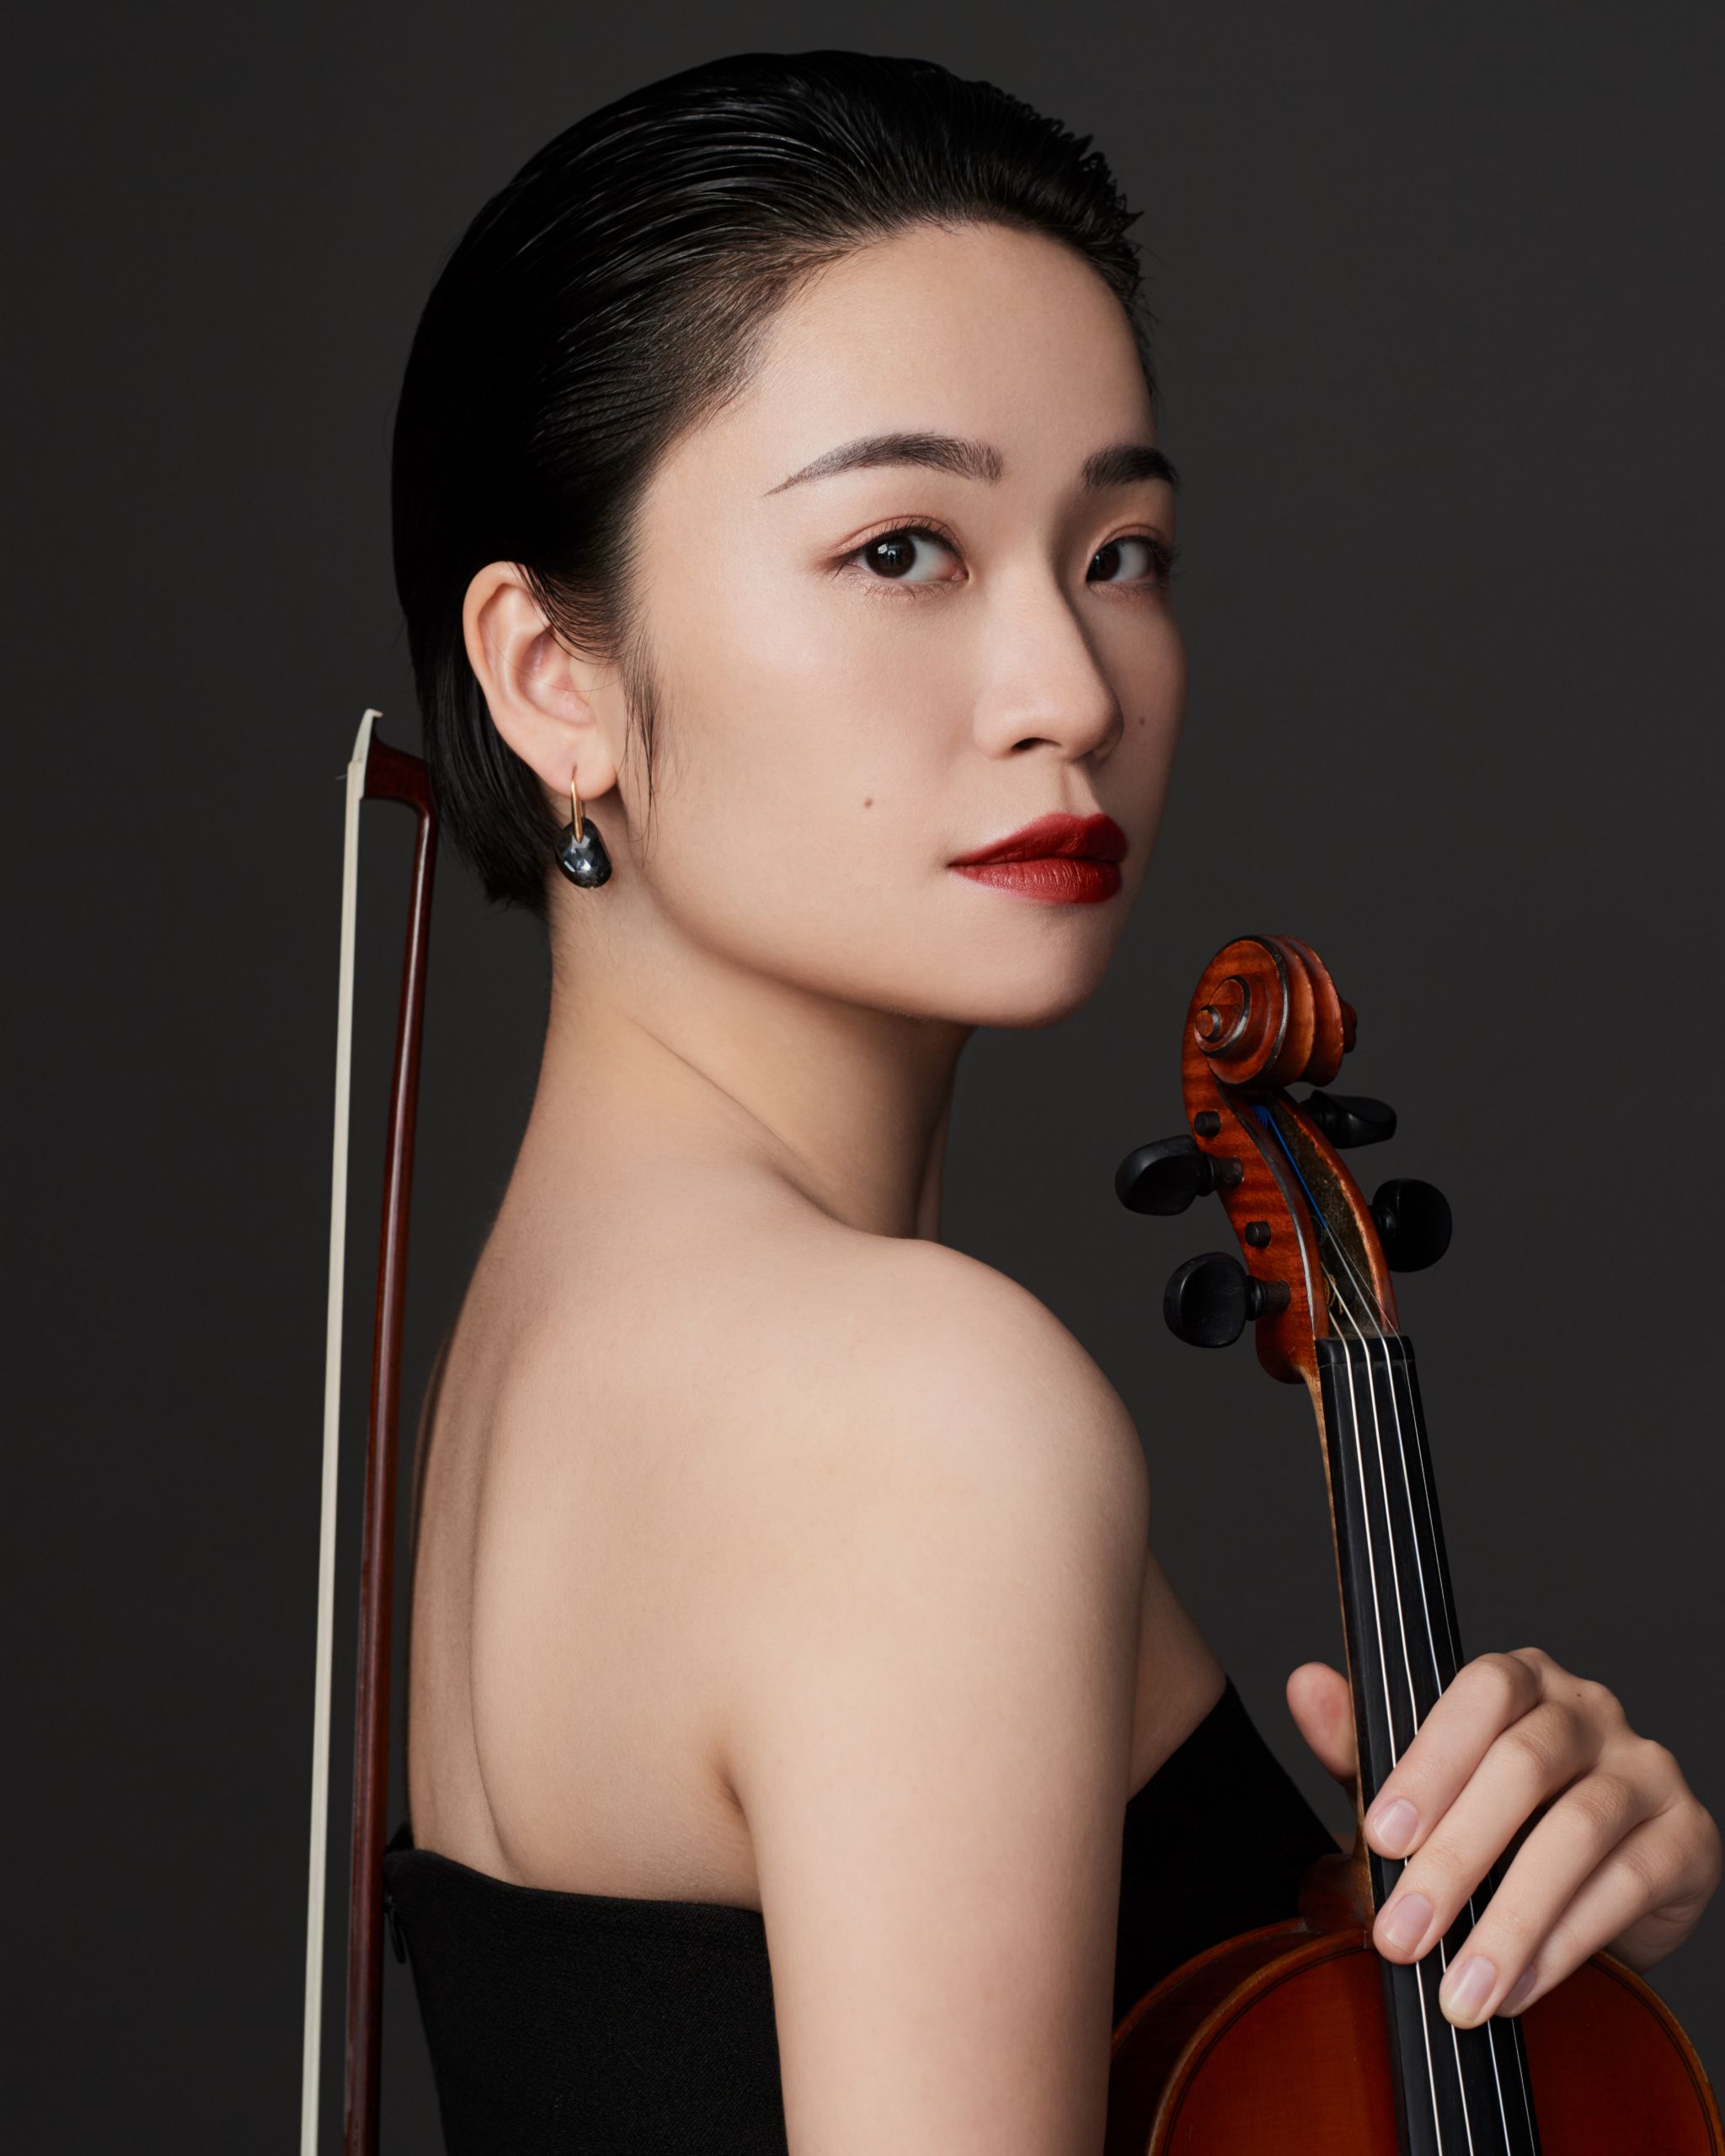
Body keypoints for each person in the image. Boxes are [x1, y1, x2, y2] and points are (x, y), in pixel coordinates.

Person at [382, 49, 1719, 2154]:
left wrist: (1481, 1942)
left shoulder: (544, 1342)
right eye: (903, 546)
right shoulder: (912, 1412)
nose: (1071, 692)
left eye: (1120, 550)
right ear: (554, 673)